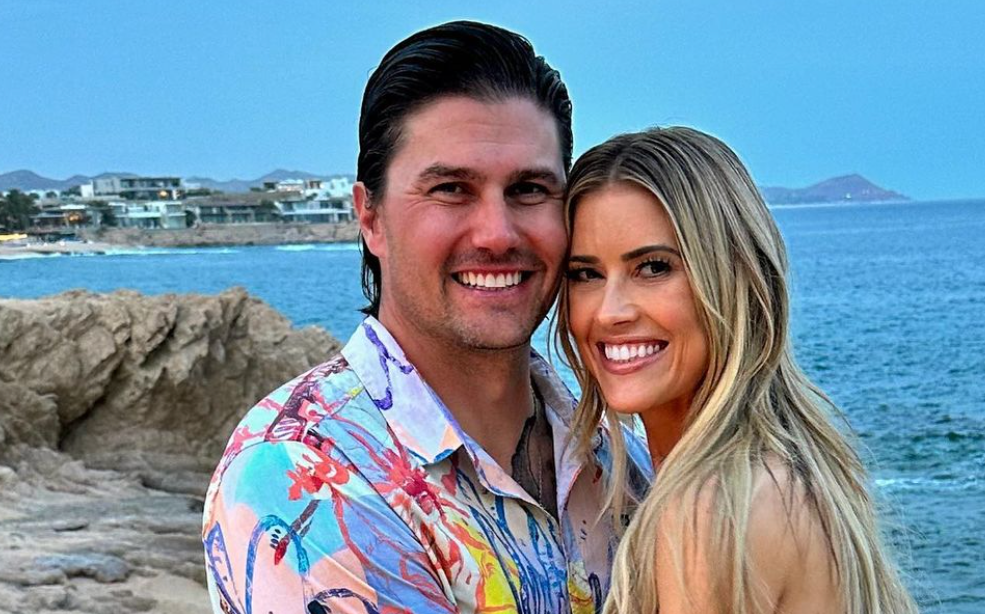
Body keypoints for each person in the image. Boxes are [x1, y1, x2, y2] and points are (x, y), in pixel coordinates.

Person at [202, 21, 649, 614]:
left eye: (529, 190)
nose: (497, 234)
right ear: (371, 218)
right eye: (450, 189)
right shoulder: (304, 475)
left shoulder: (615, 452)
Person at [556, 127, 918, 614]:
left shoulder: (710, 511)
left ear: (736, 277)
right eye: (586, 274)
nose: (609, 311)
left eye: (654, 267)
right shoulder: (789, 471)